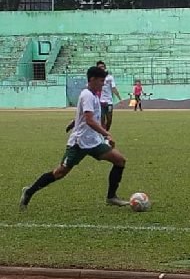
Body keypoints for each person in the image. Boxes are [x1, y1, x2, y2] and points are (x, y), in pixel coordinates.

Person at [20, 66, 129, 211]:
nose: (104, 84)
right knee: (59, 173)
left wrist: (74, 122)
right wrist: (106, 134)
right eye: (102, 81)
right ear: (93, 79)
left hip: (94, 142)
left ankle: (111, 197)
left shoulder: (94, 94)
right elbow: (90, 120)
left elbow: (85, 115)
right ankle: (29, 191)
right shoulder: (87, 95)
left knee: (120, 160)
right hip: (79, 143)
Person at [96, 61, 122, 130]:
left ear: (105, 67)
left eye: (102, 67)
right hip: (100, 101)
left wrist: (119, 98)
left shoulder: (110, 77)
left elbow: (113, 88)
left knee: (109, 119)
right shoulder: (96, 78)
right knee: (101, 118)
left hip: (109, 101)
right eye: (99, 67)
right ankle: (103, 134)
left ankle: (106, 132)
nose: (101, 68)